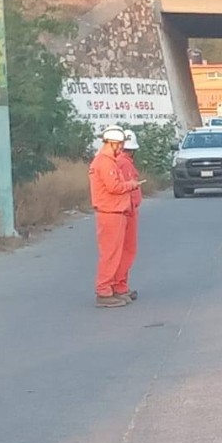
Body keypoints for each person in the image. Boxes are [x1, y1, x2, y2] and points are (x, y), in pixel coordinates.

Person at [88, 125, 143, 308]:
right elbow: (114, 187)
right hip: (110, 212)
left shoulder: (108, 161)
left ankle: (112, 287)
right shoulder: (104, 162)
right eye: (119, 145)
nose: (121, 149)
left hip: (116, 211)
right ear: (112, 143)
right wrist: (131, 185)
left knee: (115, 253)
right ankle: (104, 290)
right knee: (110, 254)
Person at [114, 130, 143, 304]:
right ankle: (119, 286)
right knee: (126, 251)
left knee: (124, 250)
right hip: (127, 211)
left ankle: (119, 285)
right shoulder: (123, 163)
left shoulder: (120, 162)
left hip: (127, 209)